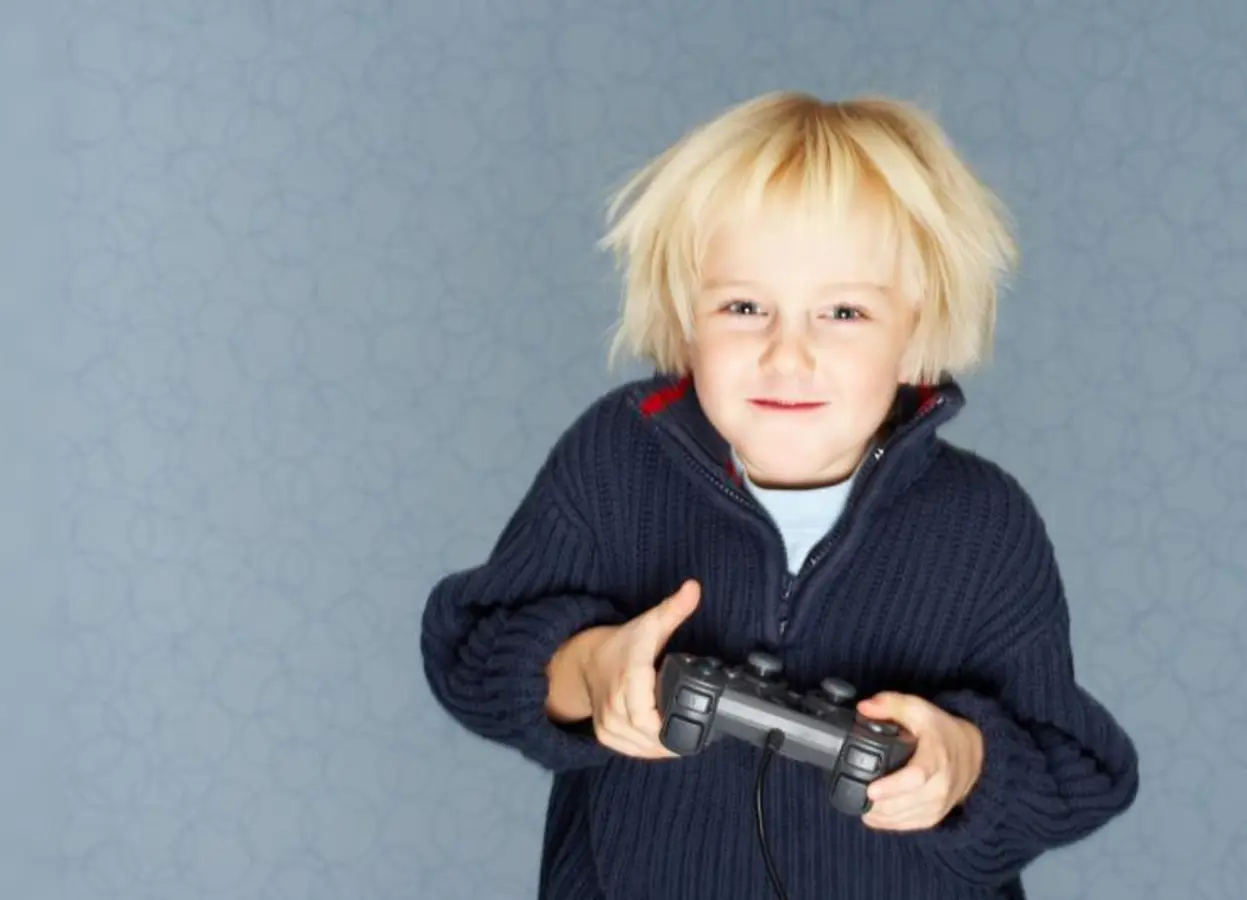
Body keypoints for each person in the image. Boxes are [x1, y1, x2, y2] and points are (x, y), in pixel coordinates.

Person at [420, 90, 1139, 900]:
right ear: (687, 317)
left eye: (843, 311)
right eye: (744, 306)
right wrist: (589, 672)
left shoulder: (983, 525)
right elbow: (471, 644)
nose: (786, 352)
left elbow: (1077, 769)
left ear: (917, 334)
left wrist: (964, 761)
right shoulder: (616, 461)